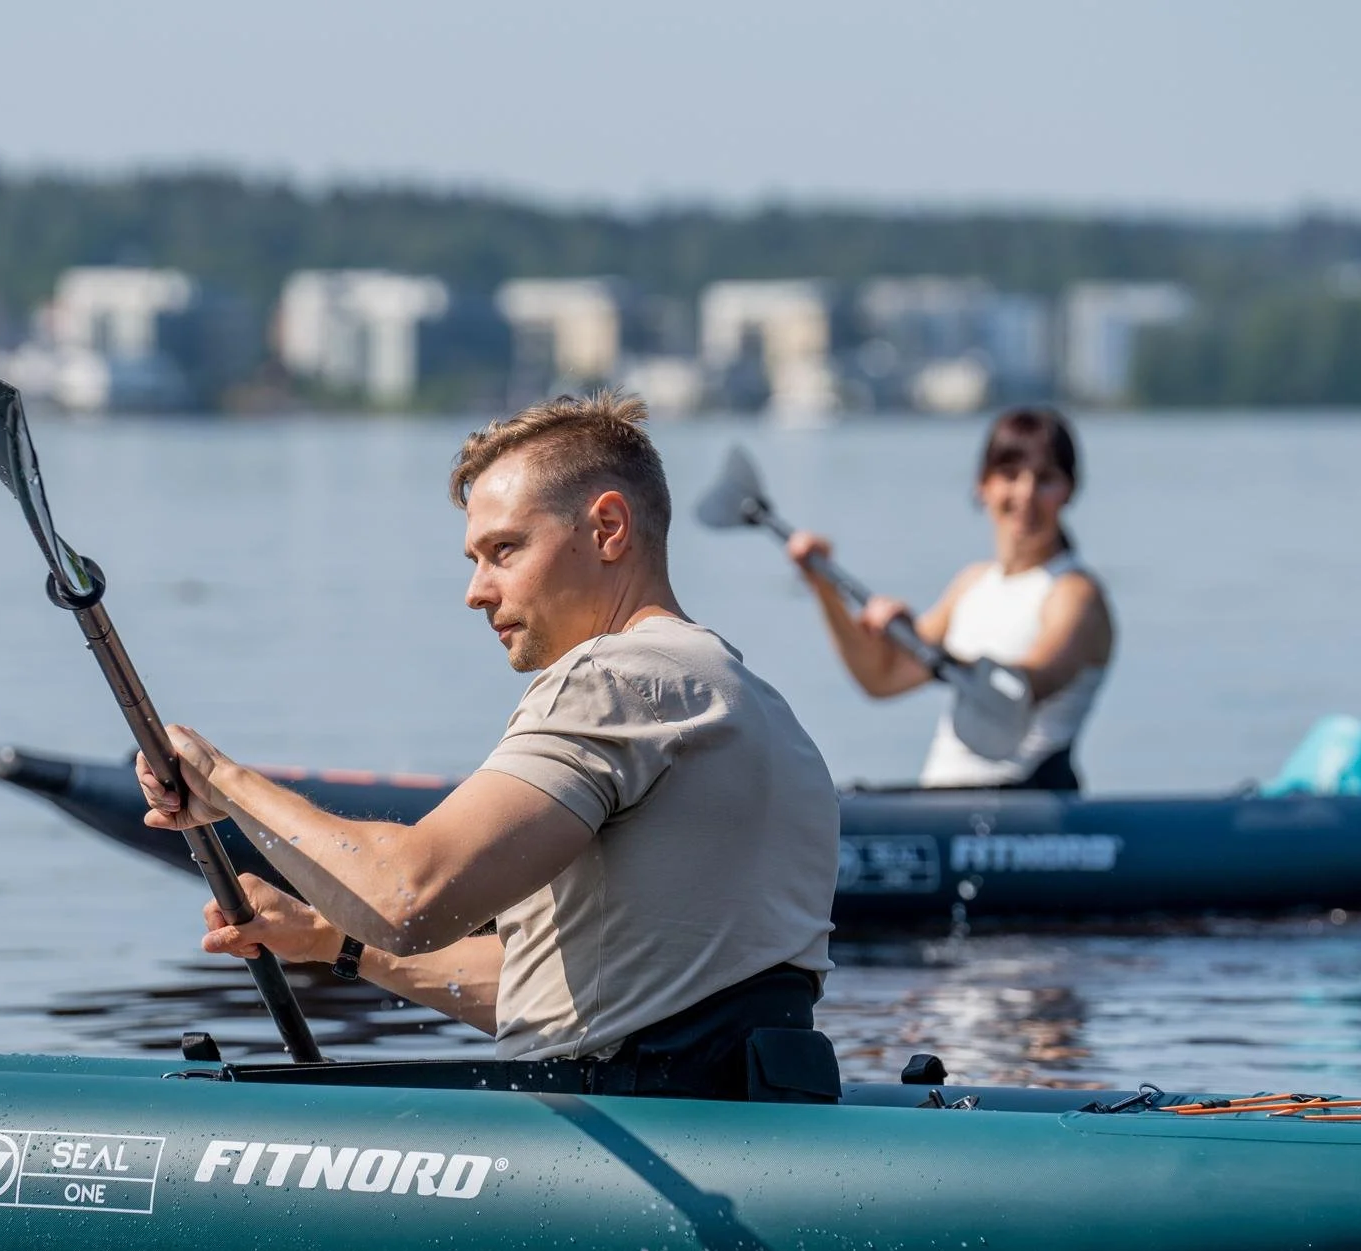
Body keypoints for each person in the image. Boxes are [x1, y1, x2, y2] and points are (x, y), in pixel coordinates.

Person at [138, 391, 842, 1102]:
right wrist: (332, 941)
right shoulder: (755, 704)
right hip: (740, 1117)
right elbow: (558, 987)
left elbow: (408, 897)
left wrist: (224, 783)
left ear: (607, 528)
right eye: (476, 558)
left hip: (628, 1144)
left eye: (504, 550)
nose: (477, 591)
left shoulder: (615, 679)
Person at [787, 408, 1113, 791]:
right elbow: (881, 678)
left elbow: (1029, 683)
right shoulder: (971, 584)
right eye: (1009, 476)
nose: (1025, 494)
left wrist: (932, 654)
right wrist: (824, 586)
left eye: (1045, 480)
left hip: (1025, 803)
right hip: (949, 804)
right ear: (983, 486)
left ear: (1069, 490)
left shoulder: (1075, 594)